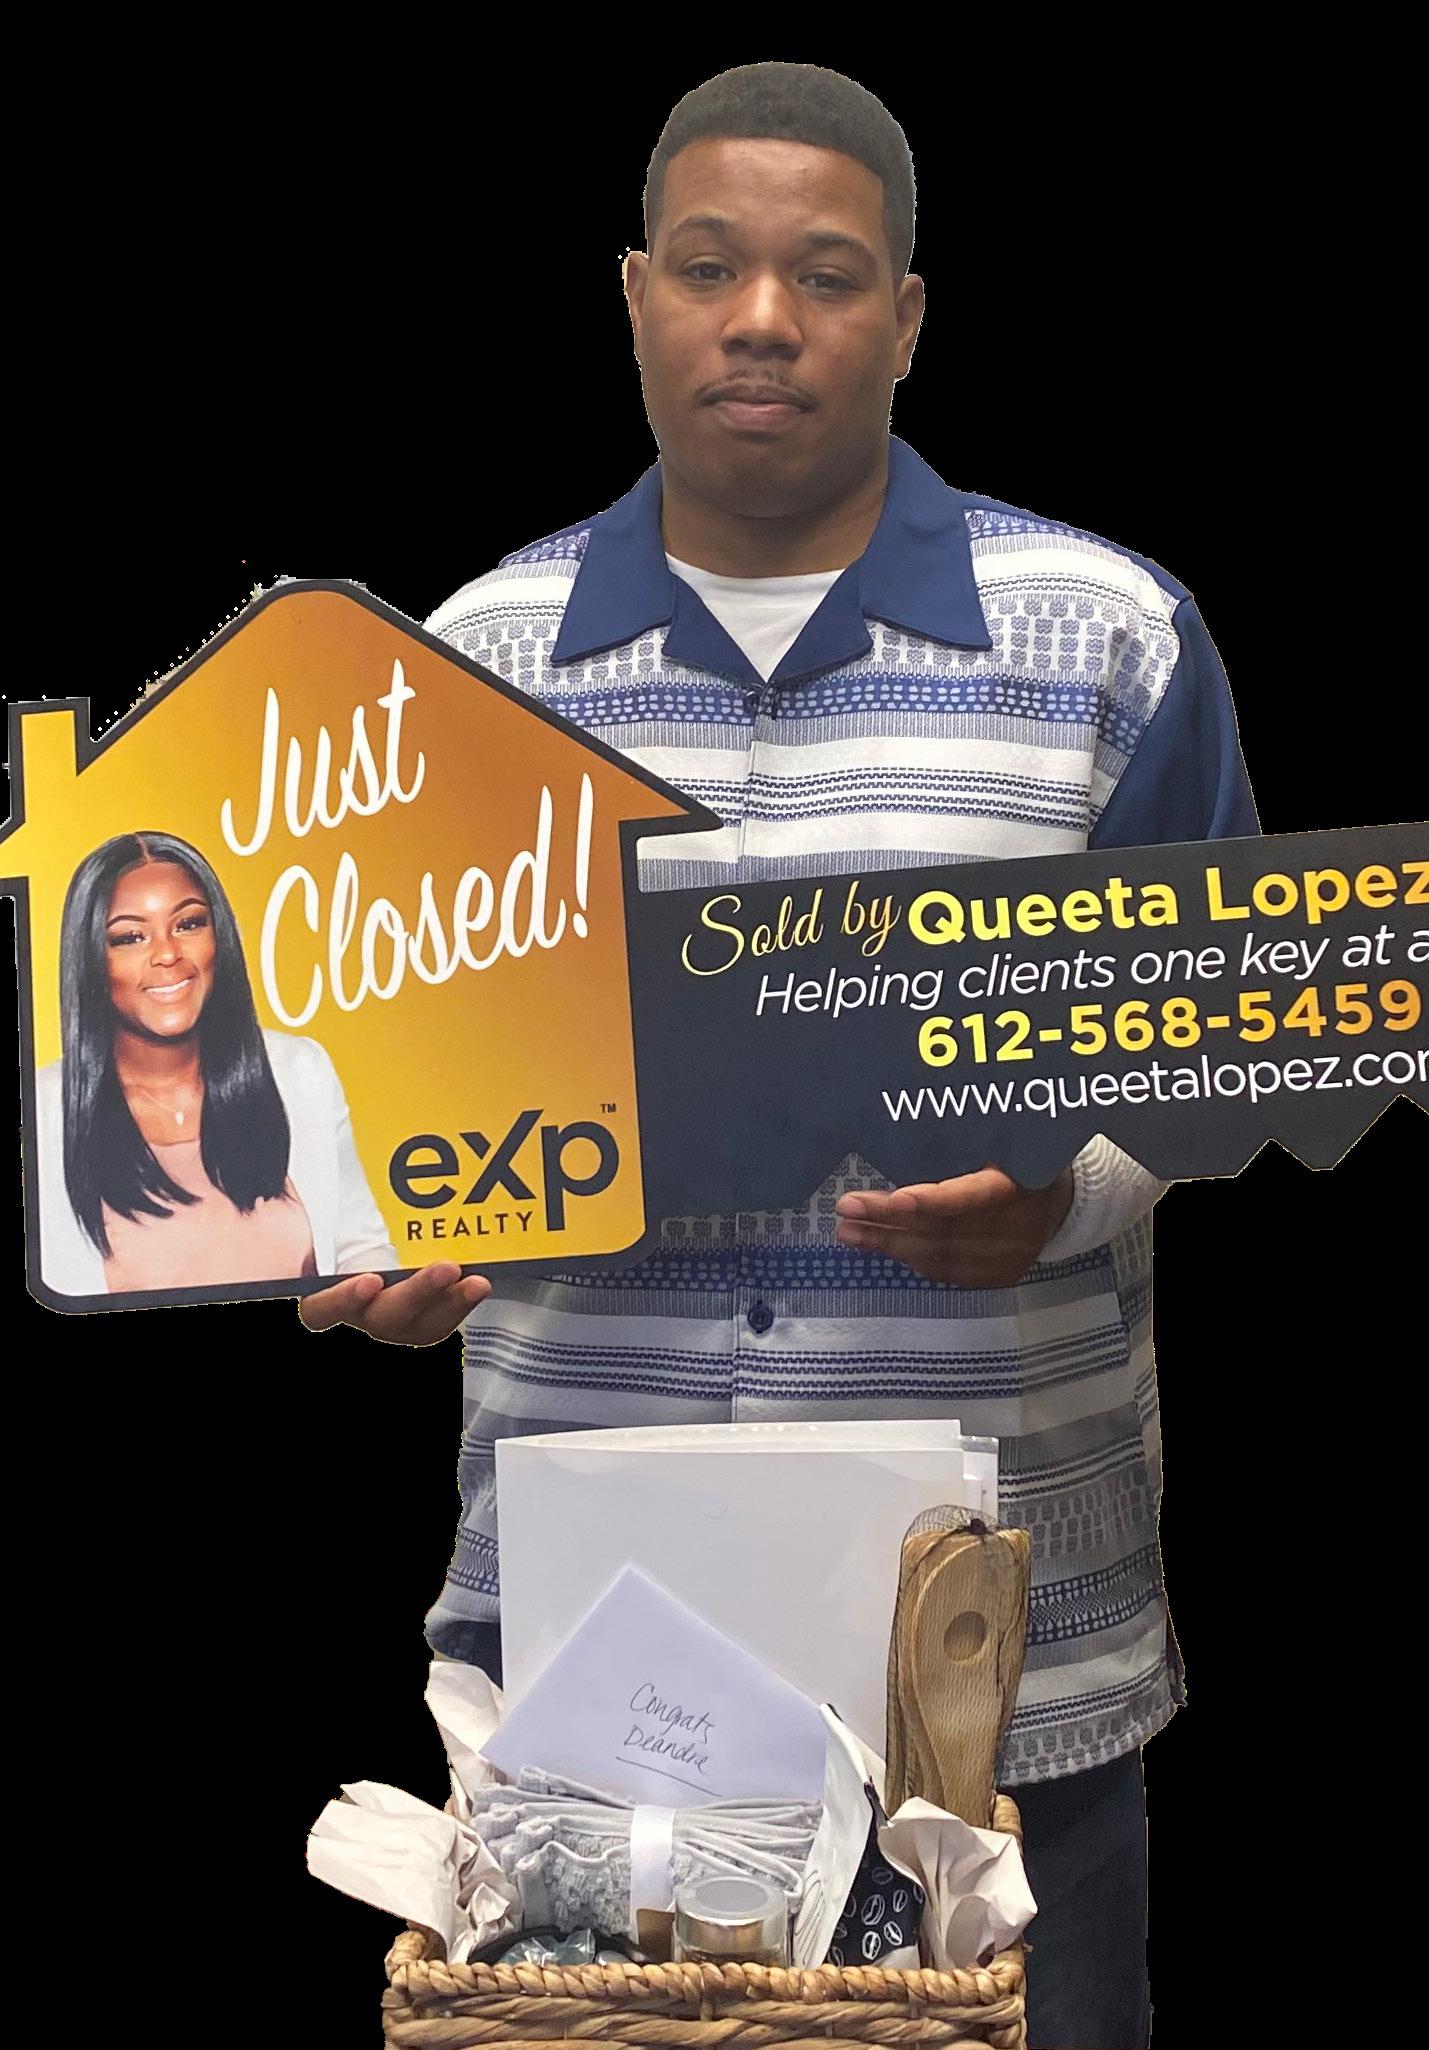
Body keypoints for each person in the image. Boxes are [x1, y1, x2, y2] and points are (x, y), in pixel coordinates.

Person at [299, 61, 1258, 2048]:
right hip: (590, 1663)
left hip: (1001, 1673)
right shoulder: (460, 669)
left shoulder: (1111, 640)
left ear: (904, 316)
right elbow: (384, 1087)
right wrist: (377, 1229)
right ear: (633, 295)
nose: (761, 318)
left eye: (823, 275)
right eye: (709, 266)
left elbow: (1226, 1056)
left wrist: (1074, 1190)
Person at [34, 829, 404, 1298]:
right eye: (130, 937)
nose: (167, 954)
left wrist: (386, 1302)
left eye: (188, 924)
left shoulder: (298, 1070)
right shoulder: (42, 1112)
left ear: (219, 936)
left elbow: (360, 1251)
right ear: (90, 959)